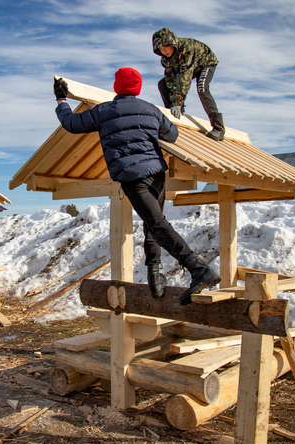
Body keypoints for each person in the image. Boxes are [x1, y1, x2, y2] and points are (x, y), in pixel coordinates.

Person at [53, 68, 220, 304]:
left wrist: (61, 100)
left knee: (156, 224)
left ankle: (198, 268)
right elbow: (172, 135)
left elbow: (71, 123)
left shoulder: (105, 111)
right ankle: (155, 277)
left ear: (116, 87)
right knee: (154, 223)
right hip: (157, 174)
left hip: (132, 177)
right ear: (138, 88)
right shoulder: (149, 109)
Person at [152, 27, 225, 142]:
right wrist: (174, 105)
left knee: (202, 88)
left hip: (205, 63)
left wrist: (178, 103)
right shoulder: (165, 59)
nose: (164, 51)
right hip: (187, 69)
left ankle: (218, 128)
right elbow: (171, 80)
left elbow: (184, 78)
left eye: (166, 47)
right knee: (163, 84)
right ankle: (172, 118)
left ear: (172, 44)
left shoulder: (187, 49)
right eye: (161, 49)